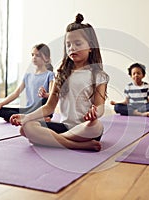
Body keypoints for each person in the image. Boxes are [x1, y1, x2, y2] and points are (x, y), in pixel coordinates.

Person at [10, 13, 109, 151]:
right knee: (26, 127)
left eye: (78, 43)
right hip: (64, 127)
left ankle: (51, 139)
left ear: (91, 46)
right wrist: (27, 117)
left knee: (96, 126)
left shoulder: (98, 75)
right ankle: (74, 145)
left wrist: (95, 114)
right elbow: (49, 107)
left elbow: (100, 107)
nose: (72, 48)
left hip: (85, 128)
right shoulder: (61, 74)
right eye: (68, 44)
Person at [0, 43, 55, 122]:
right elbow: (16, 93)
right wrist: (1, 104)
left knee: (45, 100)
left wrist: (45, 95)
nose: (34, 58)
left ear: (47, 58)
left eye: (37, 55)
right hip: (28, 110)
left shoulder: (50, 74)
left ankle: (34, 117)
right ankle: (32, 118)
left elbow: (52, 95)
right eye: (32, 55)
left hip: (42, 110)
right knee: (1, 111)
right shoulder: (27, 75)